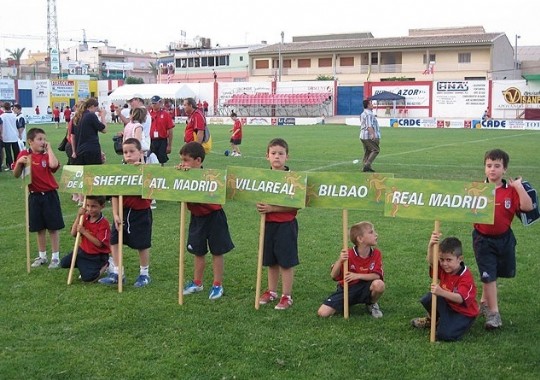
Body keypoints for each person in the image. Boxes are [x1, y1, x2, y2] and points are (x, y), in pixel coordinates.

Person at [472, 148, 534, 330]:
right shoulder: (477, 189)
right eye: (489, 165)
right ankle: (494, 314)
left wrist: (519, 187)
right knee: (488, 275)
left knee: (496, 272)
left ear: (504, 169)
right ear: (484, 168)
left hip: (504, 239)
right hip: (482, 240)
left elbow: (527, 206)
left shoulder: (511, 191)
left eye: (497, 166)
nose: (492, 169)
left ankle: (483, 302)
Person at [179, 142, 235, 300]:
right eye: (182, 160)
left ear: (198, 161)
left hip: (214, 217)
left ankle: (218, 285)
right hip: (197, 218)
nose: (183, 163)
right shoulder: (183, 175)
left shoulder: (210, 178)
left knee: (217, 251)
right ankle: (197, 282)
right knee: (198, 251)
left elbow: (216, 201)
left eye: (186, 160)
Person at [99, 138, 155, 288]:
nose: (128, 155)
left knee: (142, 244)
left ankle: (144, 274)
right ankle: (117, 272)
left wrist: (142, 169)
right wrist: (116, 214)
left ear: (140, 152)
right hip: (122, 212)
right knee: (115, 241)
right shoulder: (121, 171)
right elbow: (115, 194)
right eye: (125, 152)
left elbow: (152, 189)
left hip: (141, 213)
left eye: (132, 151)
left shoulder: (147, 170)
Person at [257, 138, 300, 310]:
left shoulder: (293, 179)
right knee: (271, 261)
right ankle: (272, 291)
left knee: (286, 262)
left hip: (286, 225)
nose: (277, 157)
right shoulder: (263, 178)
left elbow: (297, 204)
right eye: (273, 153)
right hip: (268, 225)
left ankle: (286, 295)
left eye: (281, 154)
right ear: (267, 156)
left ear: (287, 157)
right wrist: (261, 206)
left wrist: (272, 208)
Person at [13, 127, 65, 269]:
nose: (43, 142)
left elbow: (54, 165)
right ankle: (42, 255)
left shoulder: (47, 155)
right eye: (39, 139)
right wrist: (19, 163)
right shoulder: (25, 154)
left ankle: (55, 257)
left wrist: (49, 149)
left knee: (53, 227)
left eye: (44, 139)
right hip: (34, 196)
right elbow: (16, 174)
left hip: (49, 195)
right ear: (30, 141)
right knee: (39, 228)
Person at [411, 233, 478, 341]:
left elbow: (460, 299)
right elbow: (432, 263)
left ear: (460, 259)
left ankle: (456, 325)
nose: (444, 264)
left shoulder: (465, 277)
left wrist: (441, 292)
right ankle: (434, 320)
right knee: (428, 298)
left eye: (448, 260)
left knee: (444, 335)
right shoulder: (445, 269)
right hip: (448, 304)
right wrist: (431, 245)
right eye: (441, 259)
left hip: (463, 313)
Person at [317, 221, 385, 318]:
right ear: (360, 239)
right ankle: (346, 302)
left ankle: (372, 303)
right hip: (348, 288)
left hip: (366, 287)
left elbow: (377, 276)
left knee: (379, 285)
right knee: (322, 313)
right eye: (371, 232)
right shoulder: (348, 254)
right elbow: (333, 275)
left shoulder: (376, 253)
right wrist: (340, 260)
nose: (376, 234)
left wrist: (357, 275)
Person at [60, 196, 111, 282]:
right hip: (82, 251)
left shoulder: (103, 223)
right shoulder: (85, 217)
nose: (90, 209)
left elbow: (99, 243)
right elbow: (73, 233)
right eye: (87, 206)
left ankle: (105, 265)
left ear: (102, 206)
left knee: (88, 278)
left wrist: (84, 232)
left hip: (96, 255)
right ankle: (83, 265)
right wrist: (78, 216)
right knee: (63, 263)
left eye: (93, 206)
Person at [71, 98, 107, 165]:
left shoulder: (77, 117)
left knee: (84, 174)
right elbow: (104, 130)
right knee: (94, 173)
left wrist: (74, 151)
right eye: (96, 109)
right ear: (92, 106)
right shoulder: (91, 115)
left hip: (80, 150)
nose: (96, 111)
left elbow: (73, 136)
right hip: (92, 150)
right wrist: (103, 115)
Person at [149, 95, 175, 165]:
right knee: (151, 158)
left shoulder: (165, 114)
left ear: (160, 103)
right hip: (151, 140)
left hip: (162, 140)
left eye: (155, 103)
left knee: (161, 159)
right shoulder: (148, 114)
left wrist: (169, 145)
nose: (153, 105)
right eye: (152, 103)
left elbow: (170, 130)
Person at [359, 99, 380, 173]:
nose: (372, 105)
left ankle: (366, 166)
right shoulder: (369, 114)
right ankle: (367, 165)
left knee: (367, 151)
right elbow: (369, 125)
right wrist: (373, 134)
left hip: (363, 135)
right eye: (371, 103)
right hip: (368, 136)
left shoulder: (363, 113)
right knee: (375, 150)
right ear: (368, 105)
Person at [0, 102, 22, 171]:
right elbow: (18, 126)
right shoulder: (14, 116)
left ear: (3, 108)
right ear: (10, 107)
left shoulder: (2, 116)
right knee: (16, 151)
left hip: (6, 136)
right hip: (14, 136)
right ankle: (17, 164)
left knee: (8, 152)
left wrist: (1, 134)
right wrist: (20, 134)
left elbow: (1, 126)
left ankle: (10, 165)